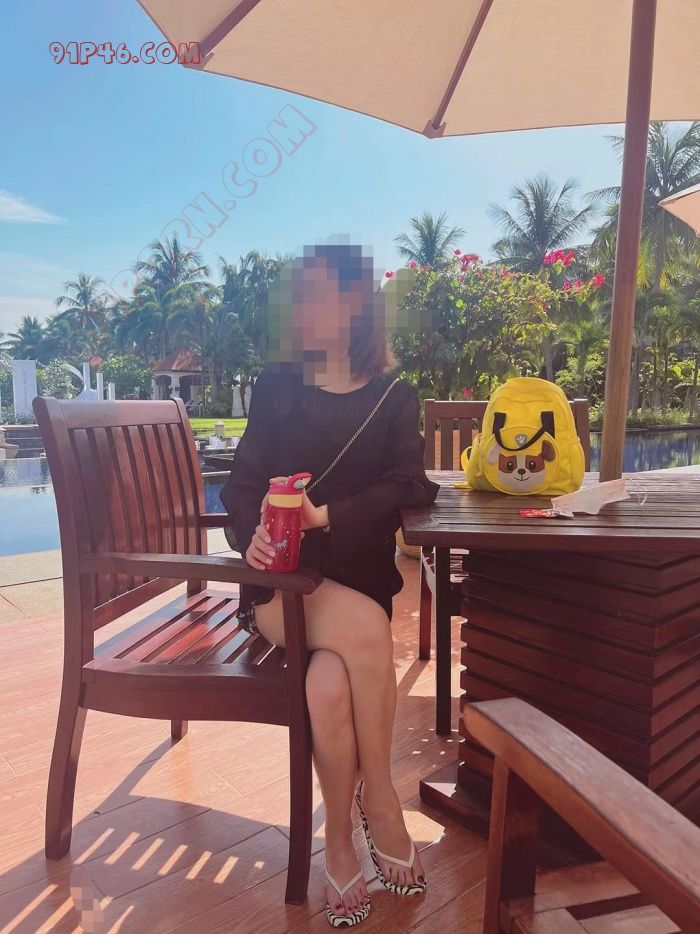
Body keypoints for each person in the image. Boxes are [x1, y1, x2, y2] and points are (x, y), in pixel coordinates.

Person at [220, 243, 439, 928]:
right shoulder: (277, 387)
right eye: (302, 294)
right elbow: (240, 487)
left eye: (323, 293)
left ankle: (339, 839)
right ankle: (383, 801)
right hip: (283, 591)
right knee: (368, 632)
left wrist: (330, 515)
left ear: (358, 304)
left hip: (359, 579)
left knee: (327, 684)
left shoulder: (394, 397)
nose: (307, 307)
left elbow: (411, 484)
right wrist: (250, 536)